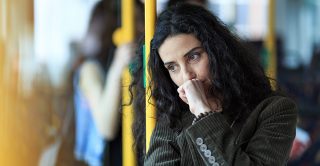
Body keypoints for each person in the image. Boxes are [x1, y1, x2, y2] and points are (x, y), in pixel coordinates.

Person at [142, 4, 298, 165]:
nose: (186, 76)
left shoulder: (275, 110)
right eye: (172, 67)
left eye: (193, 57)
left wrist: (204, 113)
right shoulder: (174, 117)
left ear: (217, 51)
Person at [73, 0, 136, 165]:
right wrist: (118, 66)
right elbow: (106, 128)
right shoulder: (90, 69)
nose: (142, 28)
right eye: (135, 21)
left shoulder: (137, 65)